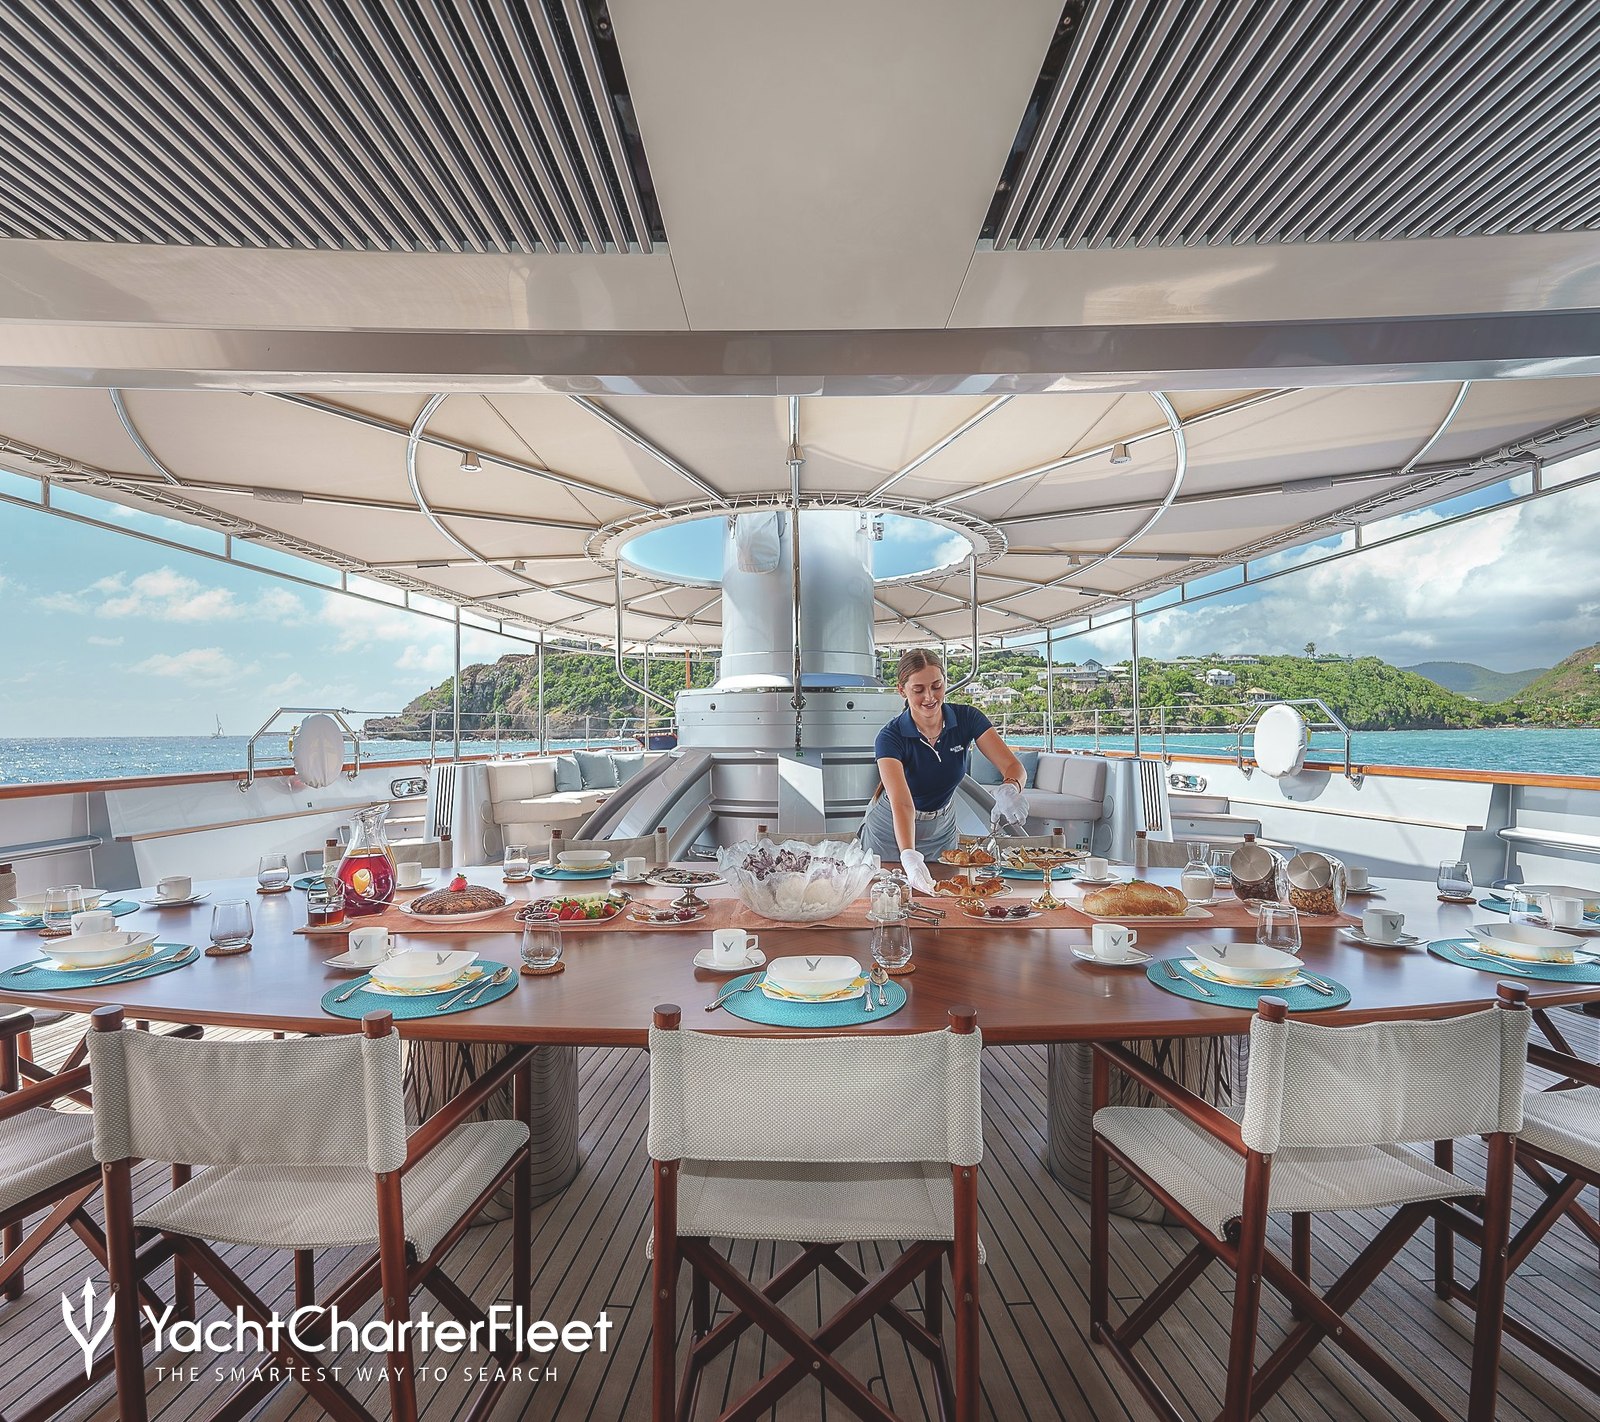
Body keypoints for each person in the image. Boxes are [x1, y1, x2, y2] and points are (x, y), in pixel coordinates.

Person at [862, 648, 1029, 891]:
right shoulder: (890, 737)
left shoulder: (968, 719)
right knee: (887, 897)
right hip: (890, 829)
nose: (929, 697)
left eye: (936, 686)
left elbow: (1013, 766)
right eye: (918, 690)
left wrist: (1010, 788)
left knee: (948, 895)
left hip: (942, 829)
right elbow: (902, 803)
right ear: (902, 690)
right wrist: (908, 855)